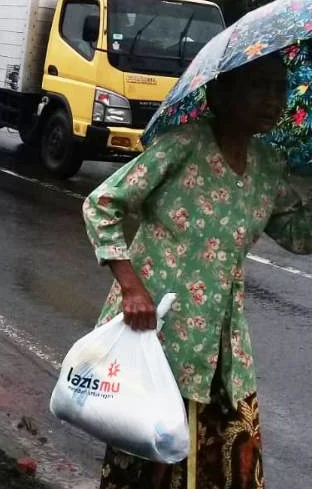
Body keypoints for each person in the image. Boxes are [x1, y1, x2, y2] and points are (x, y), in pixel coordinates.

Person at [82, 52, 312, 489]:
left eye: (279, 89)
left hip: (225, 349)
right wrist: (131, 289)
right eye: (259, 86)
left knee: (231, 460)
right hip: (158, 332)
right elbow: (102, 205)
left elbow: (298, 235)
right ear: (221, 92)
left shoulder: (267, 166)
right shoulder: (182, 146)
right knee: (149, 461)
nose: (272, 99)